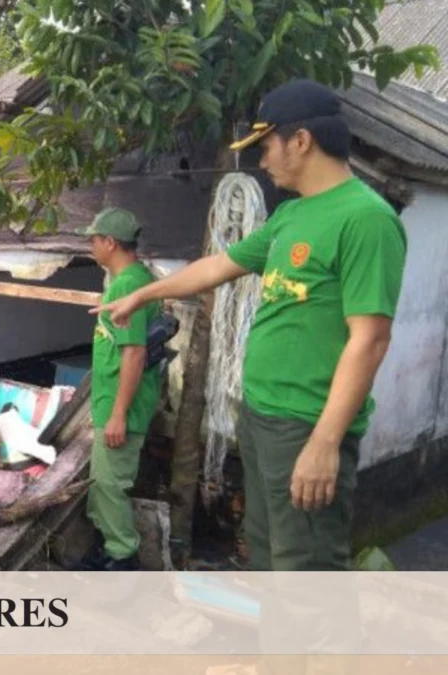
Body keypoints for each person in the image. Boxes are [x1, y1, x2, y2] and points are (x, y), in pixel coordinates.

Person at [93, 79, 407, 572]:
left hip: (306, 424)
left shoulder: (366, 219)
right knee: (267, 557)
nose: (262, 161)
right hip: (261, 416)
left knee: (308, 575)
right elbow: (217, 267)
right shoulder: (292, 216)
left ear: (300, 140)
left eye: (266, 146)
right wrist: (141, 293)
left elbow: (370, 339)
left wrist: (325, 442)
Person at [81, 207, 162, 571]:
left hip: (121, 408)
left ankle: (123, 559)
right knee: (101, 483)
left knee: (111, 486)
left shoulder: (129, 284)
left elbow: (134, 353)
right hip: (111, 402)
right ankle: (106, 547)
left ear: (110, 242)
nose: (90, 247)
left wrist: (117, 415)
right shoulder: (133, 279)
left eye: (93, 240)